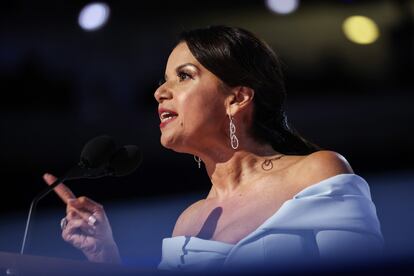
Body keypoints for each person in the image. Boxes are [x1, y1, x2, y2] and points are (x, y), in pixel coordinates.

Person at [43, 25, 383, 272]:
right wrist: (106, 255)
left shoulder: (316, 172)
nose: (160, 91)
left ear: (236, 98)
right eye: (163, 80)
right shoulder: (188, 222)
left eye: (184, 76)